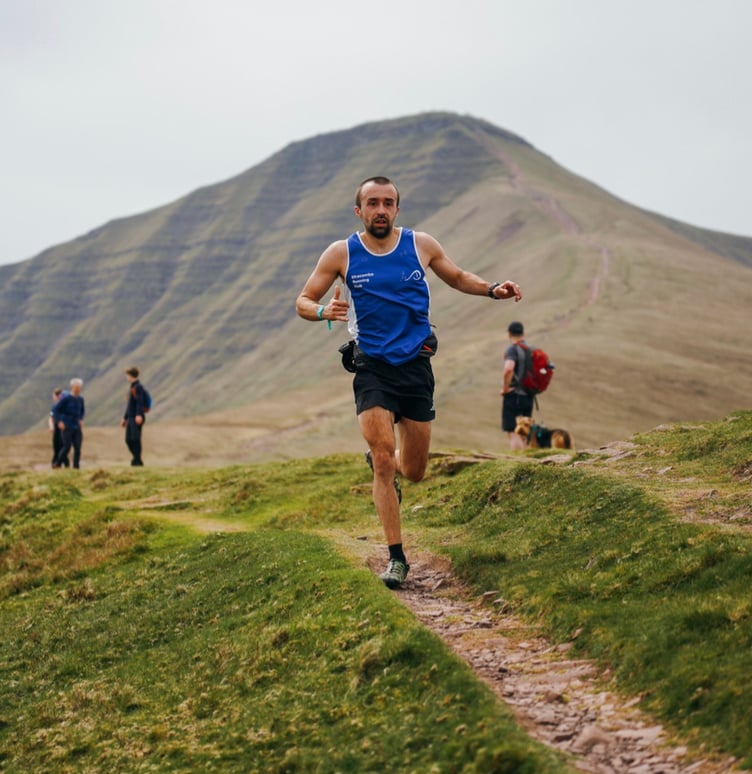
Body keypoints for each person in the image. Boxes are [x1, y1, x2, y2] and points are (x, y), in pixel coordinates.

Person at [296, 176, 522, 589]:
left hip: (416, 365)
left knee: (414, 470)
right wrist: (323, 310)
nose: (380, 209)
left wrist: (493, 290)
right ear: (359, 210)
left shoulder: (421, 245)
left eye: (388, 203)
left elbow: (456, 276)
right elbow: (303, 300)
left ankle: (390, 465)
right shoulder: (342, 253)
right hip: (371, 367)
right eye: (372, 203)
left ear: (397, 209)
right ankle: (397, 558)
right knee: (383, 457)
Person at [500, 321, 535, 450]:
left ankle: (518, 461)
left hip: (514, 395)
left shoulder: (512, 349)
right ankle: (525, 459)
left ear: (509, 334)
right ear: (523, 333)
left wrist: (505, 389)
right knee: (525, 431)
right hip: (529, 395)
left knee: (513, 430)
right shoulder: (529, 350)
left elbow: (509, 369)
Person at [52, 378, 85, 469]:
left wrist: (81, 419)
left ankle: (76, 467)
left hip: (76, 426)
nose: (78, 389)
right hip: (67, 425)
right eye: (76, 387)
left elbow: (82, 411)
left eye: (79, 388)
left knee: (77, 447)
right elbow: (56, 410)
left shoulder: (80, 399)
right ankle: (57, 463)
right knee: (67, 446)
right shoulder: (66, 399)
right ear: (72, 387)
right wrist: (59, 421)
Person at [121, 366, 147, 466]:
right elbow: (129, 405)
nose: (126, 377)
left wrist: (139, 415)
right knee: (128, 440)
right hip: (131, 417)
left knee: (136, 439)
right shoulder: (132, 387)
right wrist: (125, 417)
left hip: (136, 417)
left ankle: (136, 461)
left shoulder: (138, 387)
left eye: (127, 375)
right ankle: (137, 459)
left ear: (130, 375)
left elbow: (139, 402)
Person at [48, 388, 69, 468]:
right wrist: (51, 426)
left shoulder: (65, 406)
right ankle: (57, 464)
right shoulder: (55, 406)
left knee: (62, 446)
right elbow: (51, 417)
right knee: (56, 446)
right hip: (56, 428)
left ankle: (59, 463)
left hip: (63, 429)